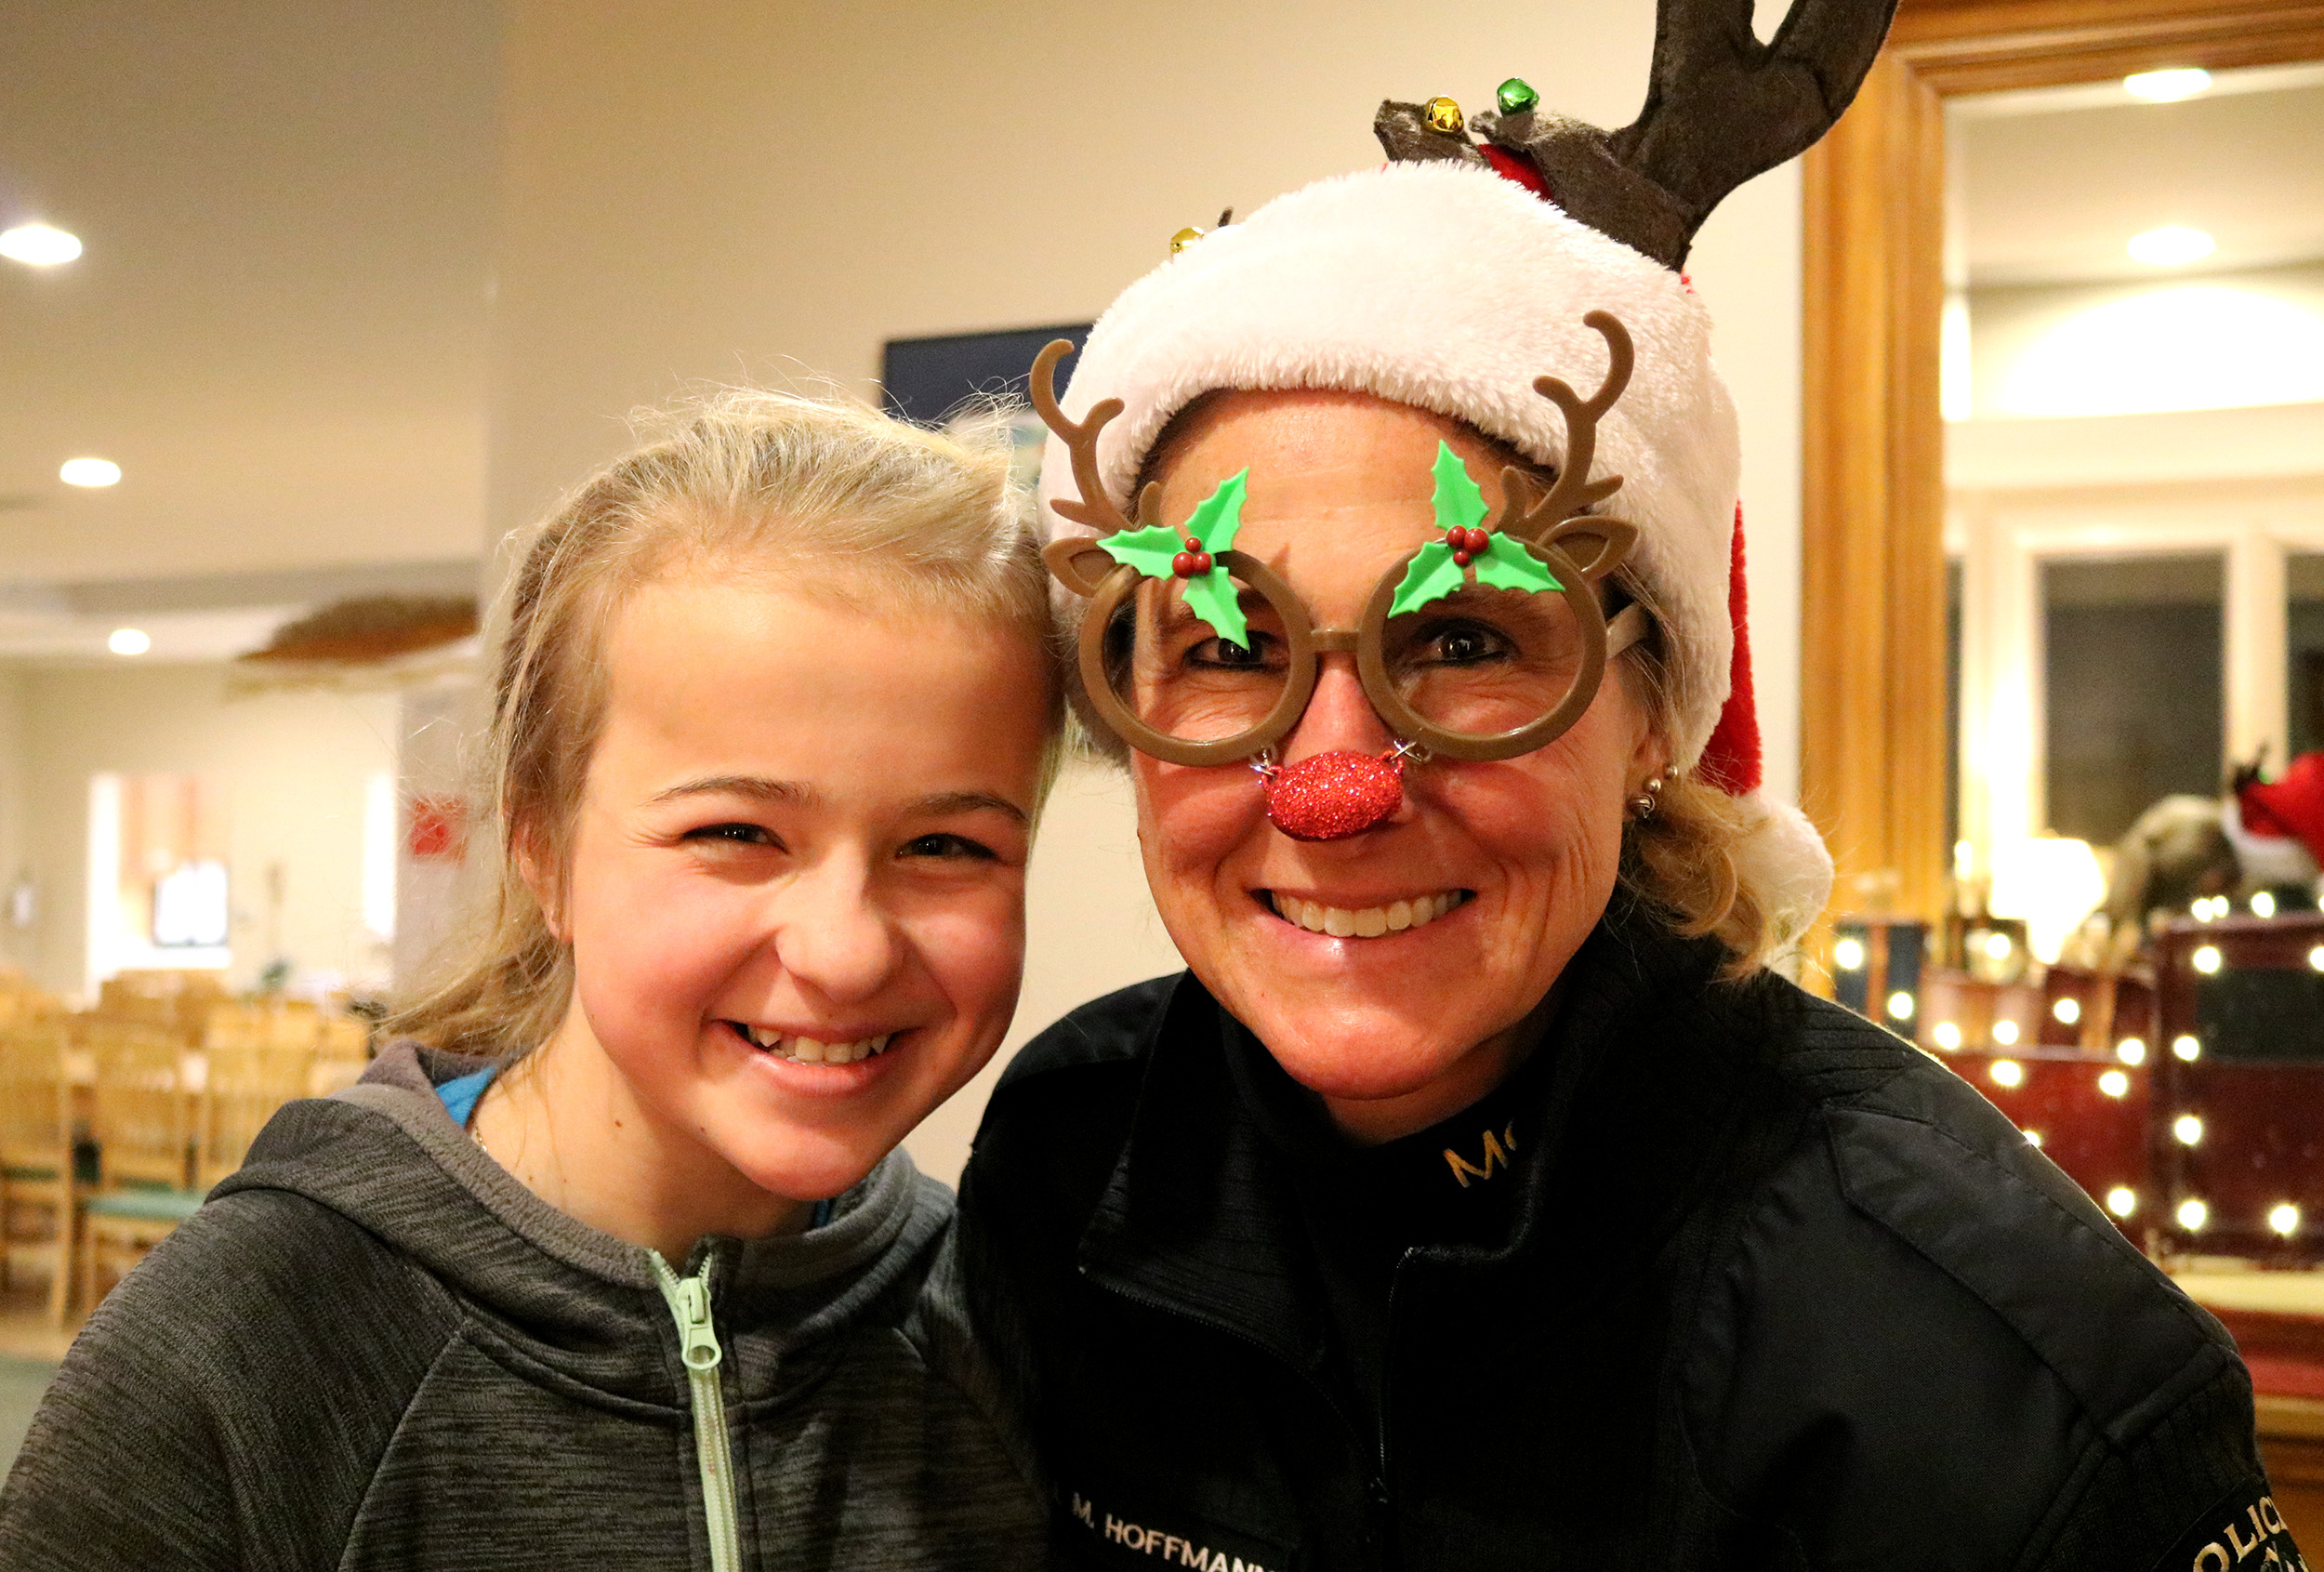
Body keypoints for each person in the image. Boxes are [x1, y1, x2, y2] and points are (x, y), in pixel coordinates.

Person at [957, 8, 2306, 1567]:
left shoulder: (2024, 1381)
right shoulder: (1071, 1161)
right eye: (1224, 643)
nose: (1332, 785)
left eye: (1458, 637)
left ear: (1655, 702)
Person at [1, 390, 1058, 1569]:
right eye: (737, 832)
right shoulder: (238, 1353)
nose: (847, 947)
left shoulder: (1007, 1341)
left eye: (947, 846)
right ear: (542, 849)